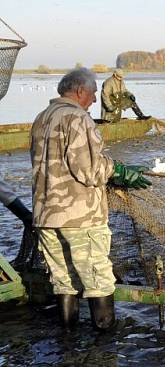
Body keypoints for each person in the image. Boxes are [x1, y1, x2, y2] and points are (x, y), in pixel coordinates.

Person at [31, 68, 152, 331]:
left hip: (45, 217)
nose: (95, 100)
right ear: (80, 91)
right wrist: (119, 171)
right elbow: (89, 170)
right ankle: (105, 356)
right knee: (99, 281)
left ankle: (67, 348)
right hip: (80, 217)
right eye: (94, 94)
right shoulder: (77, 118)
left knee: (64, 281)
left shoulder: (42, 118)